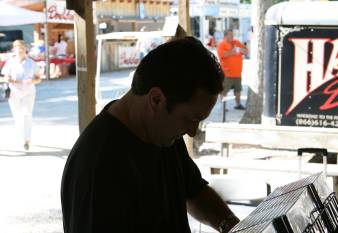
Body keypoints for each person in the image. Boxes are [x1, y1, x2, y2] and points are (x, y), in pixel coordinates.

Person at [61, 37, 240, 233]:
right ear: (156, 99)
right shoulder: (99, 165)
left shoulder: (164, 132)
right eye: (191, 118)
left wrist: (231, 225)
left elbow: (195, 191)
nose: (192, 131)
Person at [1, 40, 41, 150]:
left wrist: (31, 81)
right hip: (14, 93)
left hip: (28, 92)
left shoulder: (31, 63)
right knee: (17, 116)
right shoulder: (10, 62)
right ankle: (22, 137)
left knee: (26, 114)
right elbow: (4, 77)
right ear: (14, 49)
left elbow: (38, 79)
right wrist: (8, 79)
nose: (20, 50)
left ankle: (26, 139)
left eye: (22, 48)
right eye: (17, 48)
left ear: (25, 49)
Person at [217, 29, 248, 110]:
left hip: (237, 73)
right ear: (225, 36)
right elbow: (222, 54)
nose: (232, 36)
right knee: (224, 91)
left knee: (238, 90)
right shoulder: (222, 44)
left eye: (232, 34)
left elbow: (246, 51)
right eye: (230, 35)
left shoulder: (236, 42)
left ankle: (238, 105)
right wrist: (234, 51)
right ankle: (223, 107)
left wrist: (240, 50)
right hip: (227, 73)